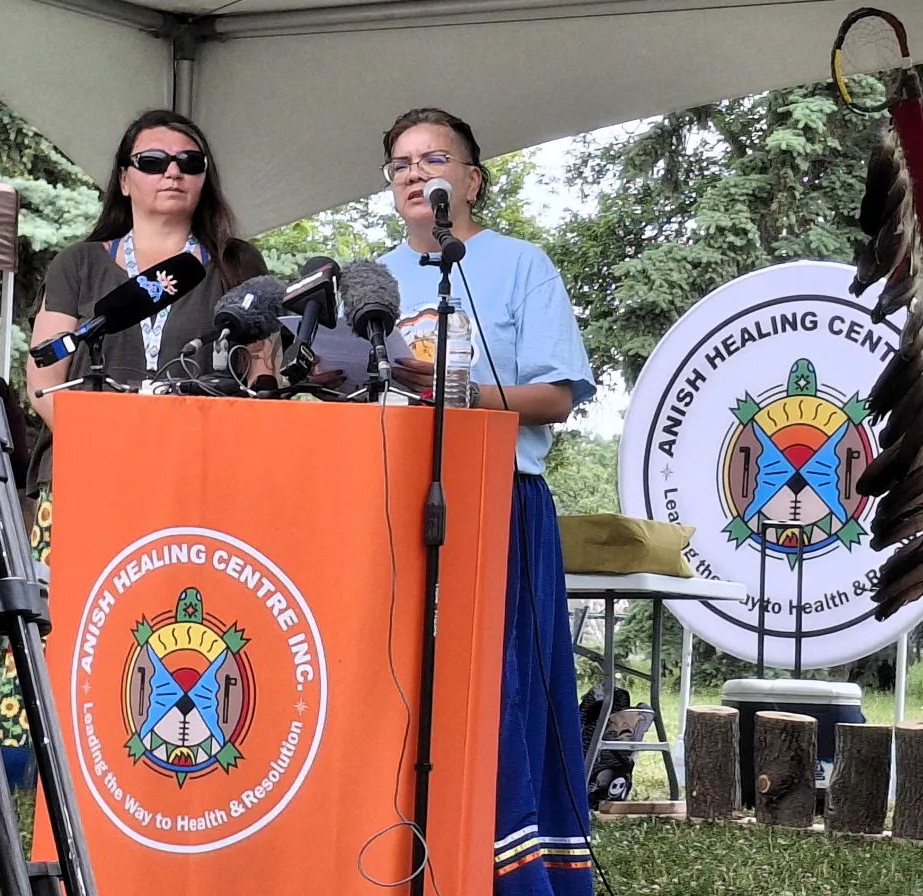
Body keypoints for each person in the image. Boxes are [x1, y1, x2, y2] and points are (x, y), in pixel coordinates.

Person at [379, 107, 597, 896]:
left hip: (498, 504)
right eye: (399, 163)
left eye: (433, 158)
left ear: (470, 180)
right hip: (391, 507)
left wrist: (461, 394)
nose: (413, 173)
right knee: (396, 678)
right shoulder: (371, 279)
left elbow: (556, 396)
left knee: (497, 687)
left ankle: (505, 866)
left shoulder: (518, 264)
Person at [0, 109, 263, 750]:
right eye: (152, 161)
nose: (172, 172)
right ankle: (38, 762)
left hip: (199, 478)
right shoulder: (81, 265)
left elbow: (258, 381)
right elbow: (45, 381)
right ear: (124, 179)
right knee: (70, 622)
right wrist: (111, 455)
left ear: (205, 178)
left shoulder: (235, 262)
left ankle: (169, 745)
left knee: (171, 620)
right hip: (87, 475)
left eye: (188, 162)